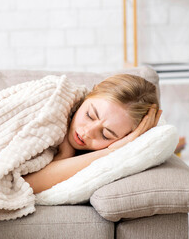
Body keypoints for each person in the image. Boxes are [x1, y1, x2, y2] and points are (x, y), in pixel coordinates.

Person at [23, 74, 162, 193]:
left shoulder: (99, 155)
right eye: (90, 115)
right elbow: (18, 185)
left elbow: (28, 185)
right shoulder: (55, 102)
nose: (88, 132)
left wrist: (113, 150)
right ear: (90, 94)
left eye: (106, 135)